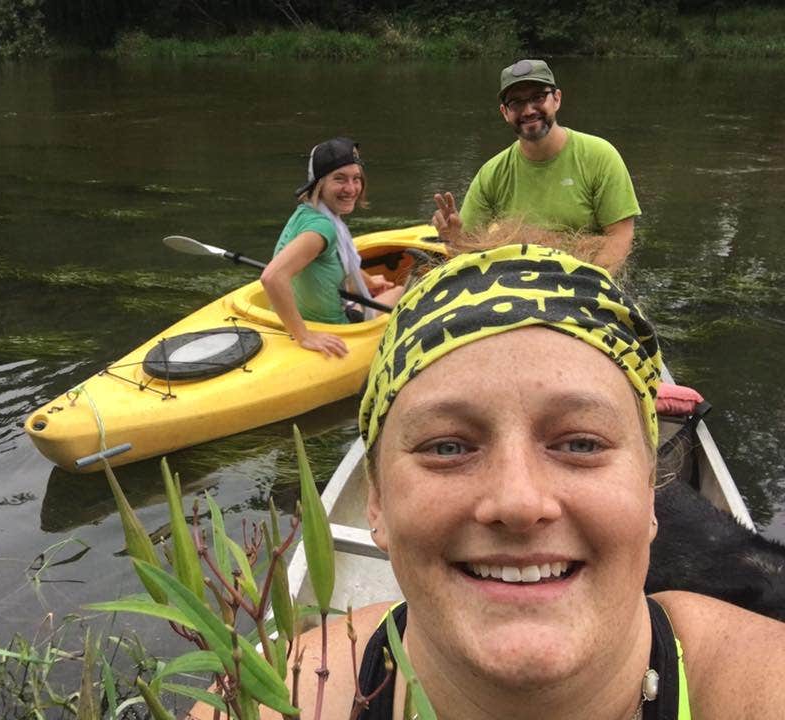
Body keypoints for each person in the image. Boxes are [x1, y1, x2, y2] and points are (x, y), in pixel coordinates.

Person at [263, 244, 785, 719]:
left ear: (650, 487)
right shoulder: (279, 700)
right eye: (447, 447)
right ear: (376, 499)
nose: (518, 502)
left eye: (581, 444)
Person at [433, 59, 641, 274]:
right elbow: (468, 251)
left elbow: (620, 236)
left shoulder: (601, 157)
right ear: (505, 112)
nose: (528, 110)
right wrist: (454, 239)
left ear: (556, 99)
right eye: (516, 103)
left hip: (585, 282)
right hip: (513, 283)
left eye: (538, 97)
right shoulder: (491, 174)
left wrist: (586, 282)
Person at [261, 137, 405, 358]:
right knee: (402, 291)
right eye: (340, 179)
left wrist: (369, 283)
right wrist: (304, 336)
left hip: (288, 321)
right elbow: (272, 277)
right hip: (333, 329)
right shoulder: (323, 228)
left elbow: (336, 265)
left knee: (384, 293)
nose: (351, 188)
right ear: (320, 183)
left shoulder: (307, 212)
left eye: (356, 179)